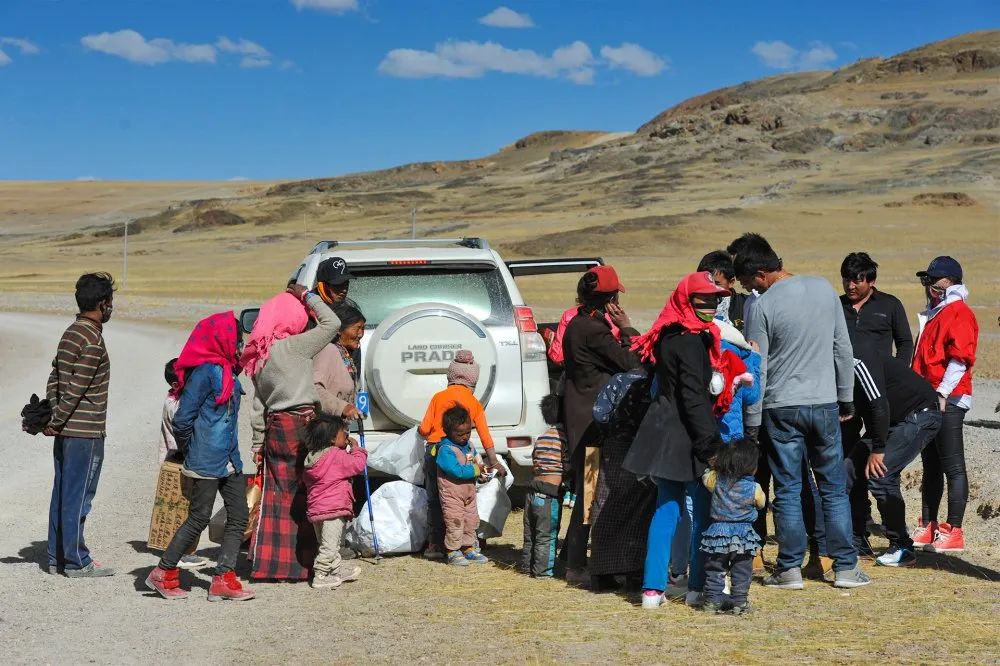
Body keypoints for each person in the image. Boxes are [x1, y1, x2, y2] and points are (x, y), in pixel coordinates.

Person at [734, 232, 870, 590]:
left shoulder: (762, 307)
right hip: (824, 403)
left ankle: (790, 569)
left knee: (789, 488)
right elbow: (842, 347)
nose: (749, 290)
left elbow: (758, 366)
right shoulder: (825, 289)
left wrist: (752, 420)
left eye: (749, 283)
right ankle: (845, 567)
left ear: (761, 273)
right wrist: (846, 398)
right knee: (834, 488)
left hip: (780, 408)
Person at [623, 271, 728, 610]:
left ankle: (652, 590)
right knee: (703, 513)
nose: (710, 306)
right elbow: (693, 397)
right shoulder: (692, 341)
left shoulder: (667, 334)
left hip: (665, 434)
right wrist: (710, 445)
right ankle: (697, 587)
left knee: (666, 508)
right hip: (691, 437)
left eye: (715, 300)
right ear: (687, 300)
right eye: (703, 299)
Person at [145, 312, 255, 601]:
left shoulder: (228, 370)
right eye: (237, 340)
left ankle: (223, 579)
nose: (240, 345)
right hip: (205, 460)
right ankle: (163, 572)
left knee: (239, 515)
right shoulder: (205, 373)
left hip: (229, 459)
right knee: (199, 517)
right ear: (222, 340)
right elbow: (183, 419)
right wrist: (192, 450)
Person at [244, 284, 340, 581]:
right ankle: (306, 563)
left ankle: (272, 565)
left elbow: (258, 405)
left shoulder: (260, 355)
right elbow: (332, 323)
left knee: (276, 496)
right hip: (302, 425)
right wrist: (307, 296)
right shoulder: (296, 346)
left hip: (276, 428)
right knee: (307, 492)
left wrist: (258, 444)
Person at [560, 265, 639, 584]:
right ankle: (576, 565)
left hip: (580, 416)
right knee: (590, 491)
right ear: (609, 300)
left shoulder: (578, 324)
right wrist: (627, 328)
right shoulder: (594, 330)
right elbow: (631, 362)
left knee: (586, 489)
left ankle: (570, 557)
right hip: (592, 422)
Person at [44, 272, 116, 578]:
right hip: (85, 433)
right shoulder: (93, 340)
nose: (111, 308)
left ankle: (56, 558)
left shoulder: (71, 332)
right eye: (110, 302)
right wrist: (57, 420)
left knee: (62, 493)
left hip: (66, 431)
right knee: (79, 496)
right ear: (102, 304)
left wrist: (53, 417)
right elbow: (75, 388)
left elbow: (55, 379)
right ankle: (76, 561)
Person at [845, 343, 942, 567]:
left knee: (881, 474)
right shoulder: (832, 357)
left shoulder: (856, 356)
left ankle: (902, 547)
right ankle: (857, 542)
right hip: (891, 420)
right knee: (848, 470)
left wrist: (878, 449)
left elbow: (879, 404)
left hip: (919, 415)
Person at [911, 256, 978, 553]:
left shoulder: (959, 312)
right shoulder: (936, 311)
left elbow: (960, 359)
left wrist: (942, 393)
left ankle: (955, 529)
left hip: (949, 399)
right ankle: (929, 525)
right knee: (931, 465)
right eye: (927, 281)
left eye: (934, 281)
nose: (929, 286)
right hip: (929, 397)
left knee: (953, 464)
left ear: (951, 282)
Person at [418, 350, 506, 559]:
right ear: (472, 381)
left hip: (435, 450)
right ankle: (465, 544)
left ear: (450, 377)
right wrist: (494, 462)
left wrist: (424, 431)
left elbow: (424, 429)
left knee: (436, 500)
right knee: (463, 502)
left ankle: (435, 544)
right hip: (460, 453)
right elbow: (484, 435)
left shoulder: (438, 397)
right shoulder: (474, 402)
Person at [587, 368, 655, 591]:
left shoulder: (618, 379)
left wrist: (611, 431)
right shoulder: (654, 380)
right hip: (645, 448)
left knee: (605, 503)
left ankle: (601, 572)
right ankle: (634, 572)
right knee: (640, 510)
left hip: (614, 447)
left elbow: (599, 413)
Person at [700, 438, 766, 615]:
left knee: (715, 568)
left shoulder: (716, 480)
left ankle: (712, 601)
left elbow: (705, 477)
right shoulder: (754, 488)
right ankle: (739, 602)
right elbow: (761, 503)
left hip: (718, 533)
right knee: (742, 570)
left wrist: (714, 467)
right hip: (743, 536)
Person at [302, 412, 367, 589]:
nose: (346, 435)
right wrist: (357, 449)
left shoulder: (313, 457)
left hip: (317, 509)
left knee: (328, 543)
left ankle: (335, 570)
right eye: (343, 432)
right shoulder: (335, 455)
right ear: (332, 439)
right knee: (330, 546)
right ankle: (321, 575)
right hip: (333, 509)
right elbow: (357, 465)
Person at [159, 357, 212, 572]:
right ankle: (181, 552)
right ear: (176, 384)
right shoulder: (176, 404)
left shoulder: (173, 398)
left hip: (178, 458)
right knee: (185, 506)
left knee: (185, 505)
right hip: (180, 459)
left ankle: (182, 550)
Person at [435, 405, 490, 566]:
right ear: (448, 432)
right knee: (455, 521)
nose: (465, 437)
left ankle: (468, 547)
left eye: (468, 432)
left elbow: (476, 461)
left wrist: (483, 472)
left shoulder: (469, 446)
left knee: (470, 520)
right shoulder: (446, 450)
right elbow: (456, 471)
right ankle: (452, 550)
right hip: (452, 495)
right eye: (460, 434)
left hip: (469, 493)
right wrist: (475, 470)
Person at [521, 395, 568, 578]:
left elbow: (535, 461)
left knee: (530, 535)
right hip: (549, 495)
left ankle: (527, 567)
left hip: (532, 492)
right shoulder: (564, 438)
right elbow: (567, 464)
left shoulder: (542, 438)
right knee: (547, 535)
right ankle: (543, 571)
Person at [839, 252, 913, 362]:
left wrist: (899, 369)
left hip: (880, 372)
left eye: (856, 281)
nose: (850, 286)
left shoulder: (890, 304)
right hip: (843, 372)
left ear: (872, 281)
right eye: (846, 280)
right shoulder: (836, 305)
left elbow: (905, 343)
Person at [546, 269, 622, 366]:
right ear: (612, 299)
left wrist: (551, 342)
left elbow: (557, 357)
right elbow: (627, 357)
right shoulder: (618, 318)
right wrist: (626, 328)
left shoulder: (570, 315)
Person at [313, 304, 365, 420]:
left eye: (363, 329)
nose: (361, 334)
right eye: (357, 328)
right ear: (339, 330)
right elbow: (315, 389)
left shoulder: (345, 355)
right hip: (325, 427)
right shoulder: (327, 350)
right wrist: (342, 408)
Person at [698, 250, 749, 331]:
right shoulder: (690, 307)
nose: (710, 289)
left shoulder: (748, 305)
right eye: (705, 282)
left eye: (716, 283)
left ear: (731, 282)